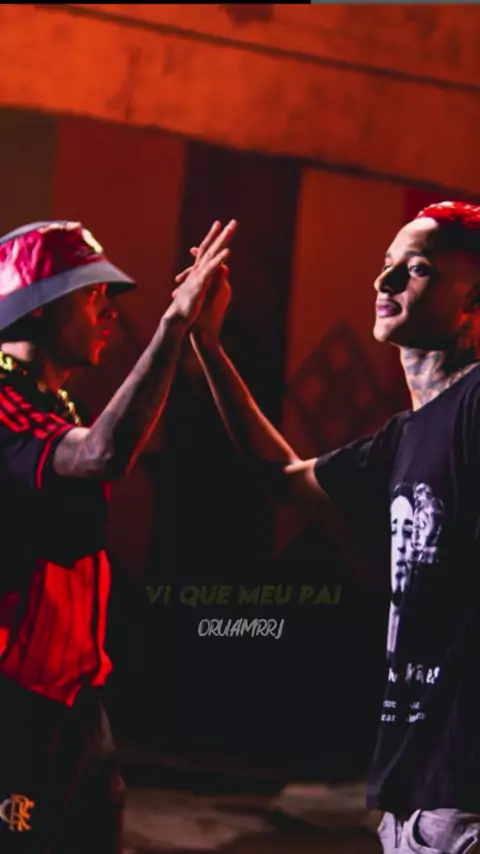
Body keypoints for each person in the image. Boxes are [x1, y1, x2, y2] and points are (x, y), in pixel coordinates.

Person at [180, 201, 480, 853]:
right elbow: (284, 478)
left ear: (473, 303)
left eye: (418, 269)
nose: (384, 280)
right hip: (414, 790)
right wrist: (206, 343)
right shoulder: (405, 437)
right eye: (386, 264)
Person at [0, 217, 236, 853]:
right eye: (92, 295)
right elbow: (102, 453)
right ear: (39, 306)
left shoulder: (54, 406)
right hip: (16, 709)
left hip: (73, 702)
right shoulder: (3, 402)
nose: (108, 312)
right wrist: (173, 324)